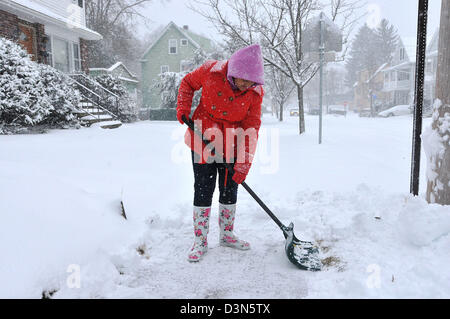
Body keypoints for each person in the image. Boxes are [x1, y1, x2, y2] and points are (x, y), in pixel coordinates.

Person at [176, 44, 265, 262]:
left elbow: (251, 129)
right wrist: (183, 108)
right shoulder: (210, 71)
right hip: (203, 139)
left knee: (229, 189)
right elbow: (187, 83)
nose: (245, 84)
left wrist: (243, 164)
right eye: (242, 78)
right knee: (203, 188)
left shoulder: (255, 93)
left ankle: (226, 235)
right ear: (232, 70)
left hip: (232, 145)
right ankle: (200, 240)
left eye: (250, 81)